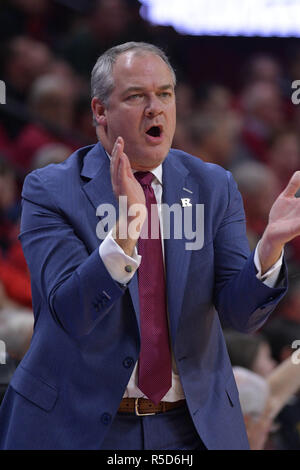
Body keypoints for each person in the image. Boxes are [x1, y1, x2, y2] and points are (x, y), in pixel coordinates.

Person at [0, 41, 299, 450]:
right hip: (78, 425)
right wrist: (127, 230)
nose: (155, 107)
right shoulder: (51, 189)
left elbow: (241, 316)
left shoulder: (213, 186)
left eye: (165, 93)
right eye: (136, 96)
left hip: (189, 427)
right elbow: (69, 311)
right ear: (100, 111)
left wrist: (269, 249)